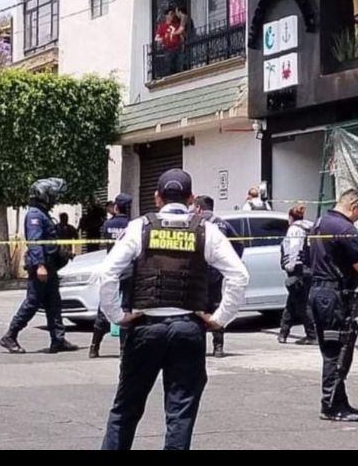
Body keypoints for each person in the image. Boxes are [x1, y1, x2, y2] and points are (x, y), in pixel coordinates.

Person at [99, 169, 249, 450]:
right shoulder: (207, 229)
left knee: (126, 409)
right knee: (180, 414)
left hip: (145, 328)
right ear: (191, 199)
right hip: (187, 329)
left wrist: (118, 317)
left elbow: (107, 273)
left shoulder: (140, 227)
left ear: (157, 198)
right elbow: (239, 275)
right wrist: (219, 319)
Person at [308, 189, 358, 421]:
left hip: (317, 291)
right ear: (354, 206)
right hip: (334, 294)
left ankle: (340, 401)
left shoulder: (319, 222)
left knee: (332, 348)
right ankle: (331, 405)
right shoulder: (346, 229)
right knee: (338, 351)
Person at [0, 178, 79, 354]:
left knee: (54, 303)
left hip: (50, 266)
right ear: (44, 195)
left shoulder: (42, 214)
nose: (54, 199)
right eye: (52, 195)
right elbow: (35, 242)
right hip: (41, 268)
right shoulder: (35, 215)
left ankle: (58, 339)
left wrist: (62, 253)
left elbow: (48, 242)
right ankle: (10, 335)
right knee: (32, 303)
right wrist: (40, 265)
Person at [193, 195, 244, 358]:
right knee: (216, 306)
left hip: (198, 272)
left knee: (196, 307)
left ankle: (198, 345)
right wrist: (229, 263)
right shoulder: (223, 223)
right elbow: (239, 244)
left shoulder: (196, 223)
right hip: (216, 273)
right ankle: (218, 347)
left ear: (199, 208)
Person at [89, 193, 134, 359]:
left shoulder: (107, 224)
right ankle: (123, 349)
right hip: (129, 270)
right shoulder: (133, 226)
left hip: (112, 270)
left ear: (116, 207)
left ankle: (94, 347)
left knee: (105, 307)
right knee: (126, 308)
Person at [277, 204, 317, 345]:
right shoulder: (311, 227)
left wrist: (290, 266)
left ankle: (312, 335)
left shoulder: (294, 229)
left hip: (298, 269)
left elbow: (294, 248)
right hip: (310, 268)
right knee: (293, 301)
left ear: (290, 217)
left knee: (302, 303)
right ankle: (283, 333)